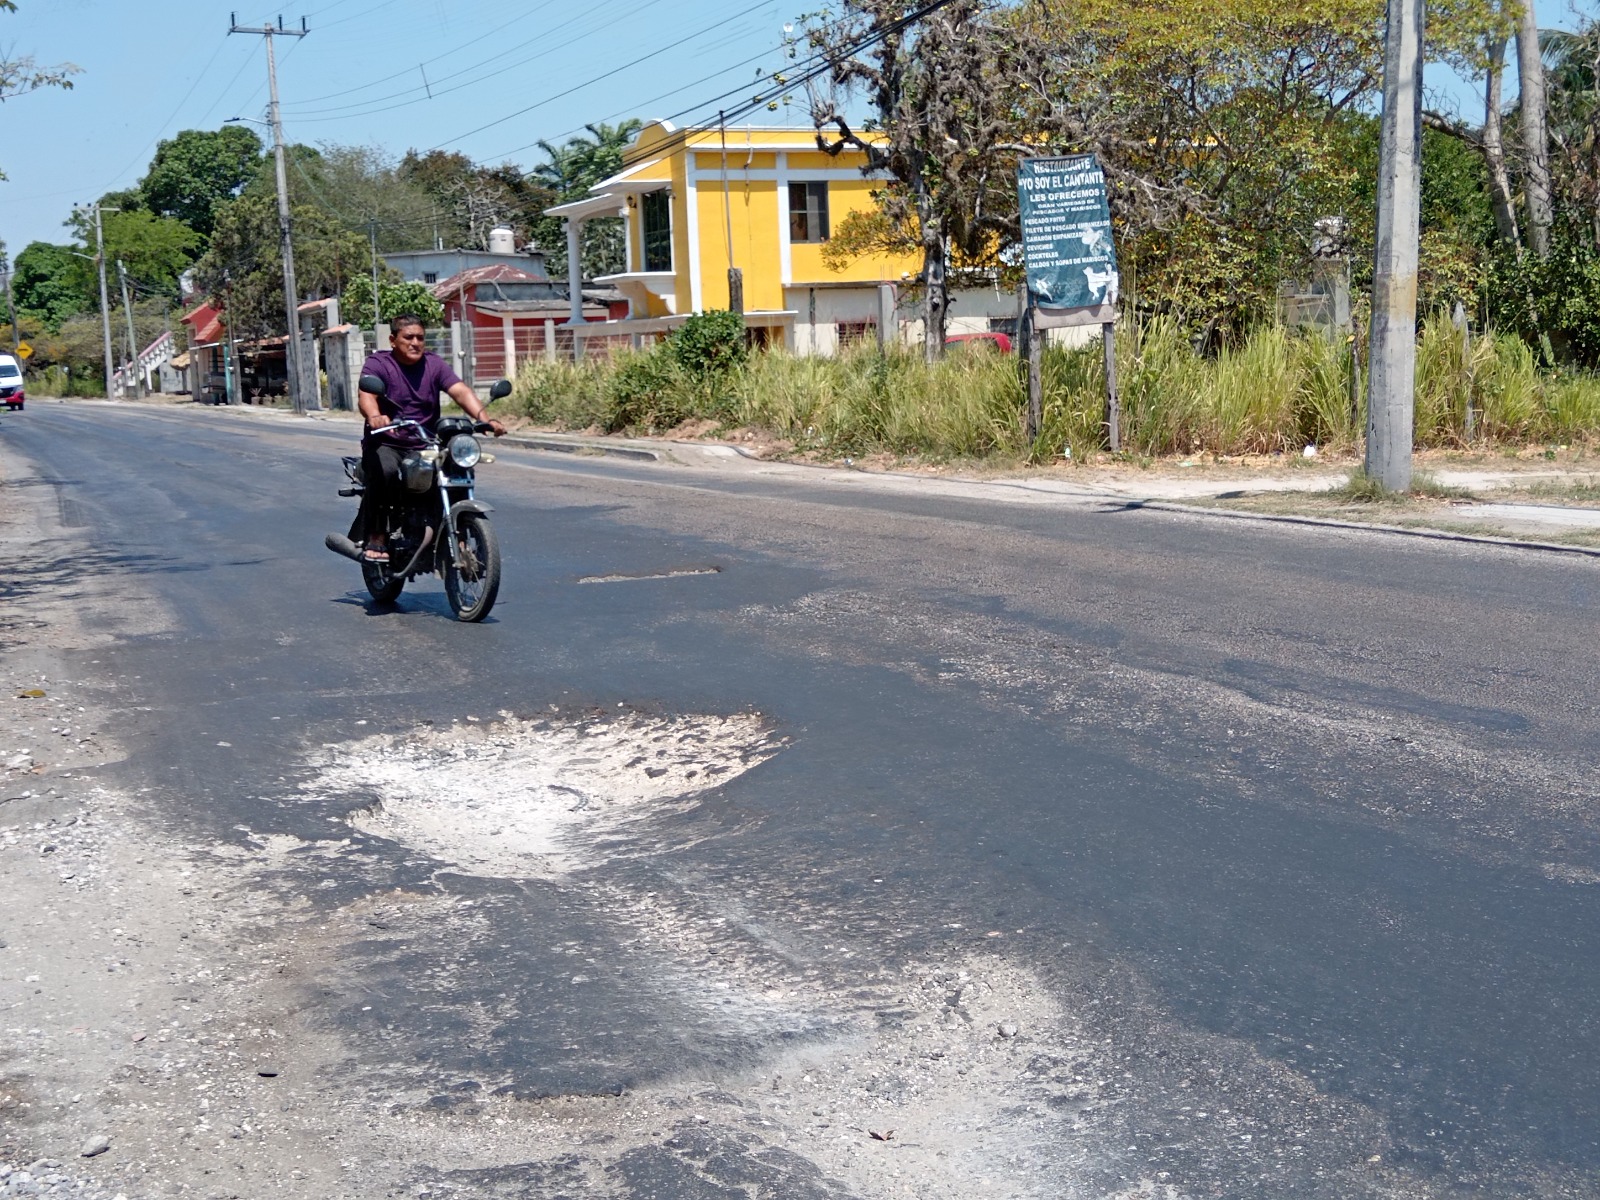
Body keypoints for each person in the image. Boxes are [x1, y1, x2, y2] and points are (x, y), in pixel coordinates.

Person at [355, 314, 506, 561]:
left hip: (424, 442)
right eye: (408, 337)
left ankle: (455, 533)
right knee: (387, 471)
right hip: (386, 442)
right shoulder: (379, 363)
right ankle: (378, 534)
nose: (415, 343)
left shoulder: (433, 364)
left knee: (456, 467)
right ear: (393, 340)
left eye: (420, 338)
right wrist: (375, 416)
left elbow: (460, 391)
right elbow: (366, 395)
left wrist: (484, 419)